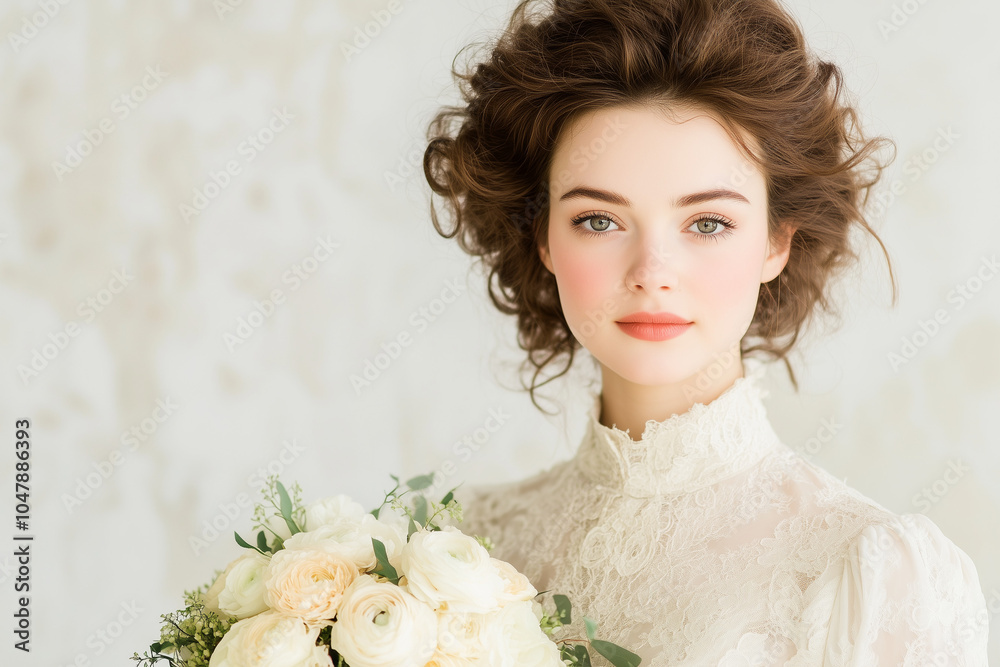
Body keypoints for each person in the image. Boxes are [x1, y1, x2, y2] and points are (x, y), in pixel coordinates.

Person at [421, 0, 989, 664]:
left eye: (708, 222)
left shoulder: (871, 576)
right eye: (599, 220)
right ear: (542, 236)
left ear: (777, 239)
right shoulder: (462, 550)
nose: (652, 273)